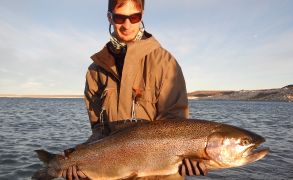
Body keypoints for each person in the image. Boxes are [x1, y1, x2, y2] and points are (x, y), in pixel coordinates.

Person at [62, 0, 206, 179]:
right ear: (110, 18)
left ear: (142, 16)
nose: (127, 24)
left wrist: (191, 156)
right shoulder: (95, 71)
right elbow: (99, 130)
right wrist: (79, 163)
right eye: (120, 17)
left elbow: (176, 124)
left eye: (134, 17)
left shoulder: (166, 63)